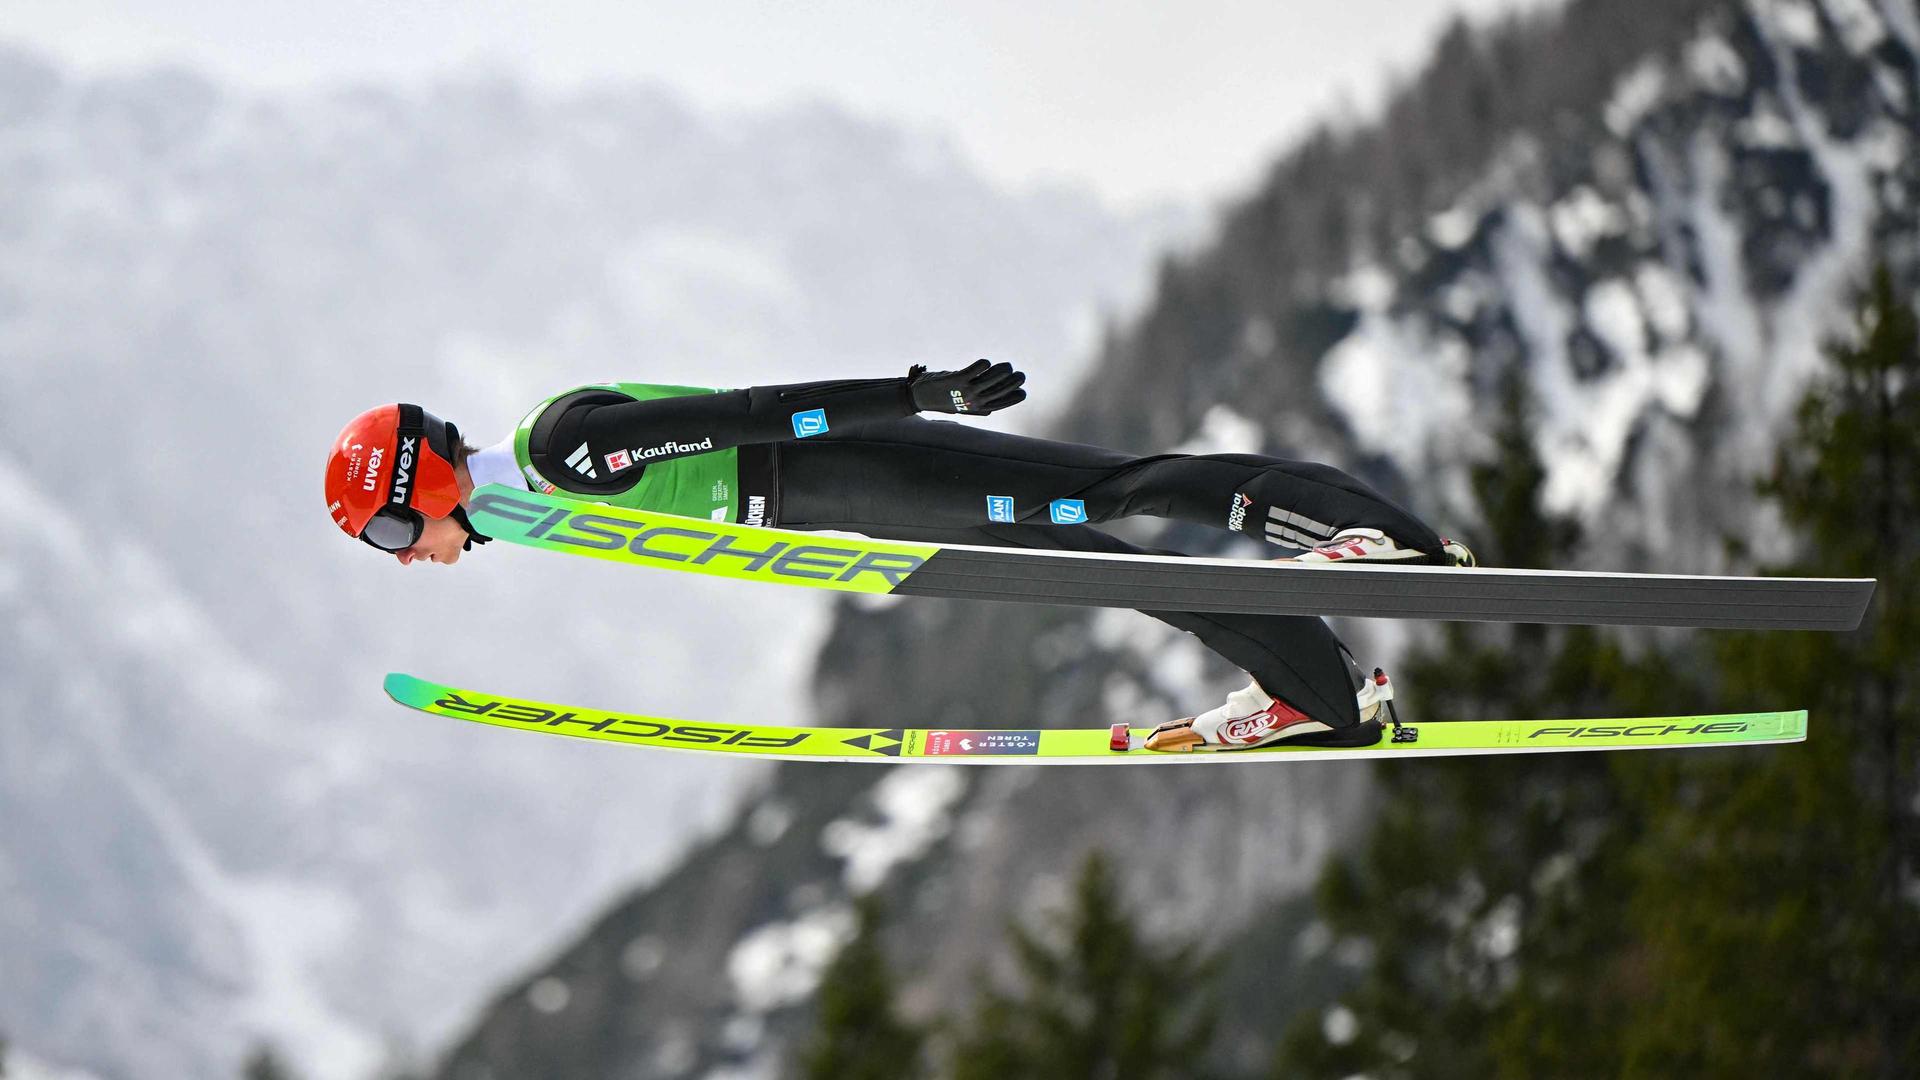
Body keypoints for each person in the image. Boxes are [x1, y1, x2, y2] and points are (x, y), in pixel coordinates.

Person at [324, 362, 1472, 751]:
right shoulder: (535, 506)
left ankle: (1382, 545)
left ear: (415, 483)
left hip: (847, 468)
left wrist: (913, 395)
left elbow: (749, 414)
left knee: (1105, 497)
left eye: (390, 533)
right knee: (1111, 564)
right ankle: (1320, 694)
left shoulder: (563, 452)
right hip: (844, 503)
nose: (405, 556)